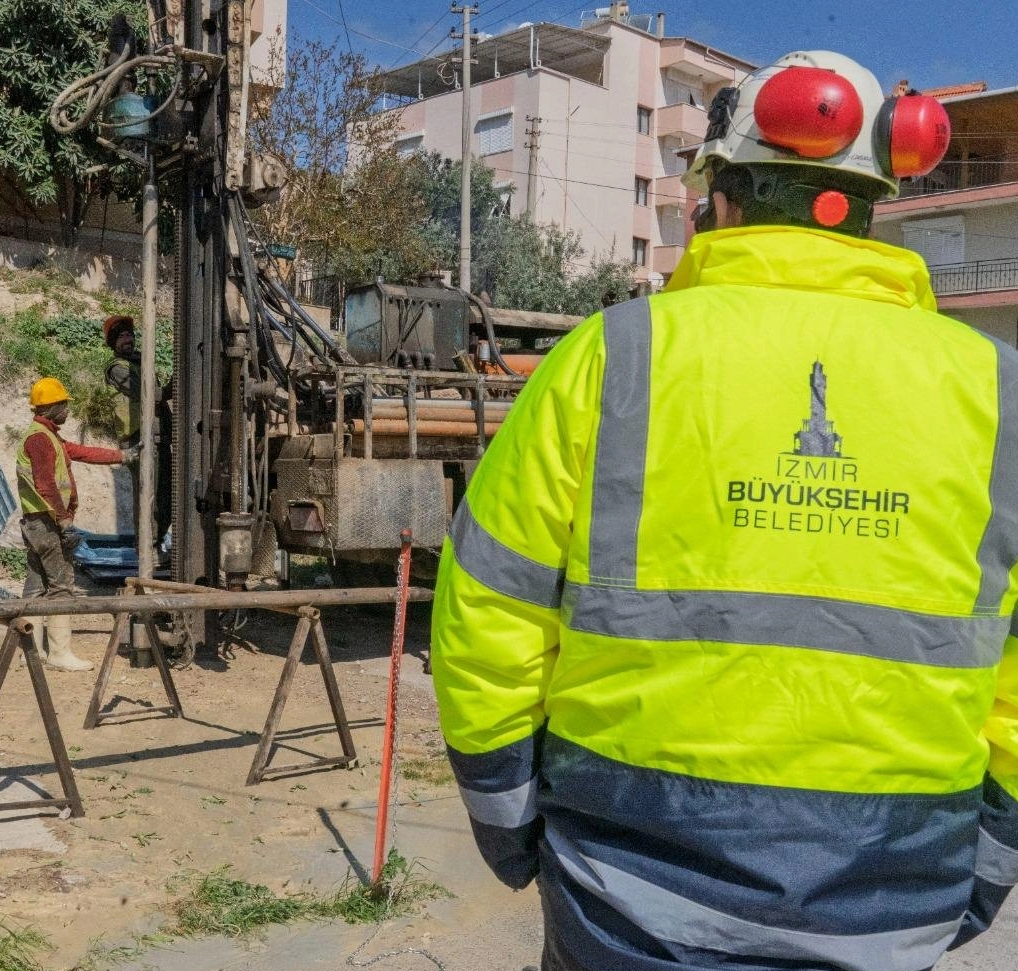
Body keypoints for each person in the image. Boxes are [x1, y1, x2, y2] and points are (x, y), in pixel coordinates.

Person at [432, 50, 1017, 971]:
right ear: (869, 207)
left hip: (625, 900)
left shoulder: (613, 357)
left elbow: (489, 612)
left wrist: (512, 831)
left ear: (721, 195)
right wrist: (985, 865)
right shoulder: (997, 392)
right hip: (893, 901)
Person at [17, 376, 127, 671]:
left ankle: (30, 650)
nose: (67, 410)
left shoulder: (47, 435)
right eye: (64, 405)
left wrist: (122, 456)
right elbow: (45, 484)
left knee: (36, 585)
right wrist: (63, 519)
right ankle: (59, 654)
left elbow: (81, 452)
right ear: (51, 407)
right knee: (62, 586)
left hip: (36, 522)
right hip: (47, 523)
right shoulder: (40, 439)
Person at [103, 315, 171, 555]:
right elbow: (145, 393)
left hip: (157, 434)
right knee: (147, 492)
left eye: (130, 335)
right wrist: (168, 390)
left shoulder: (142, 361)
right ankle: (146, 547)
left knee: (166, 493)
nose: (128, 340)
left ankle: (157, 541)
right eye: (121, 337)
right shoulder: (117, 369)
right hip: (137, 439)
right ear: (113, 343)